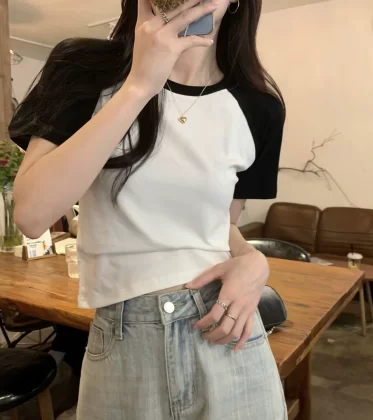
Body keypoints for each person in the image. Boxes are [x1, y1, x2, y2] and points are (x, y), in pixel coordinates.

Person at [9, 0, 287, 418]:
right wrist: (140, 85)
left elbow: (218, 227)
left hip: (224, 332)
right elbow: (32, 215)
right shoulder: (83, 69)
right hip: (126, 336)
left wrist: (252, 260)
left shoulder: (259, 107)